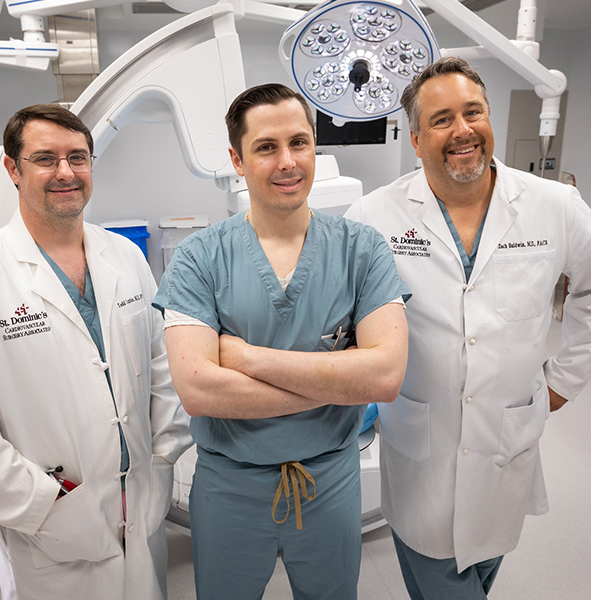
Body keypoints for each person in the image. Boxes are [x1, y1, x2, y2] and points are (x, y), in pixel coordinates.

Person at [344, 57, 591, 599]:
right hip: (421, 437)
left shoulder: (553, 205)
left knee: (484, 562)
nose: (463, 130)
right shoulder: (372, 217)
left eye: (473, 112)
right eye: (443, 119)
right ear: (418, 138)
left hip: (507, 437)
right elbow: (344, 320)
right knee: (441, 571)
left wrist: (564, 380)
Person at [0, 104, 191, 600]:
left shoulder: (125, 257)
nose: (65, 172)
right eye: (46, 158)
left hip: (141, 498)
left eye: (77, 157)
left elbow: (161, 367)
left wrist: (163, 458)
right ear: (13, 170)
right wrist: (41, 503)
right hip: (50, 518)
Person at [152, 83, 410, 600]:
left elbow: (384, 377)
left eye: (299, 142)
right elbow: (200, 391)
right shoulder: (201, 257)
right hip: (229, 484)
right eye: (266, 147)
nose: (287, 161)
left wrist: (246, 357)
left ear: (316, 146)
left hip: (329, 480)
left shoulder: (362, 250)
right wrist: (341, 379)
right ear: (237, 159)